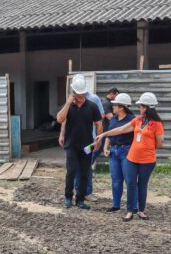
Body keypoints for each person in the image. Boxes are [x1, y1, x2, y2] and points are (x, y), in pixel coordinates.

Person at [95, 92, 164, 221]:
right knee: (131, 183)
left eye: (142, 106)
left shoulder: (157, 124)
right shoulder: (137, 120)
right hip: (132, 157)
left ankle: (141, 210)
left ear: (147, 107)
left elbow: (160, 143)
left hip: (147, 160)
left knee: (142, 184)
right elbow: (121, 129)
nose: (140, 109)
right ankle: (129, 211)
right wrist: (104, 135)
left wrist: (145, 145)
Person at [55, 74, 103, 209]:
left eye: (83, 94)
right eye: (78, 95)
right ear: (74, 93)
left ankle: (80, 199)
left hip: (87, 145)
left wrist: (98, 140)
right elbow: (60, 119)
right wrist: (68, 103)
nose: (81, 98)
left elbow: (99, 124)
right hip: (71, 144)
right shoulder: (69, 106)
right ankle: (68, 197)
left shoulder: (92, 106)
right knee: (71, 171)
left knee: (83, 172)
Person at [103, 93, 135, 212]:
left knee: (129, 180)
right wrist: (106, 147)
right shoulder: (114, 119)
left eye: (115, 105)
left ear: (122, 107)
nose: (113, 107)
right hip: (114, 152)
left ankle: (133, 206)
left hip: (127, 151)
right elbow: (109, 134)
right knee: (116, 179)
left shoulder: (132, 119)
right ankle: (116, 205)